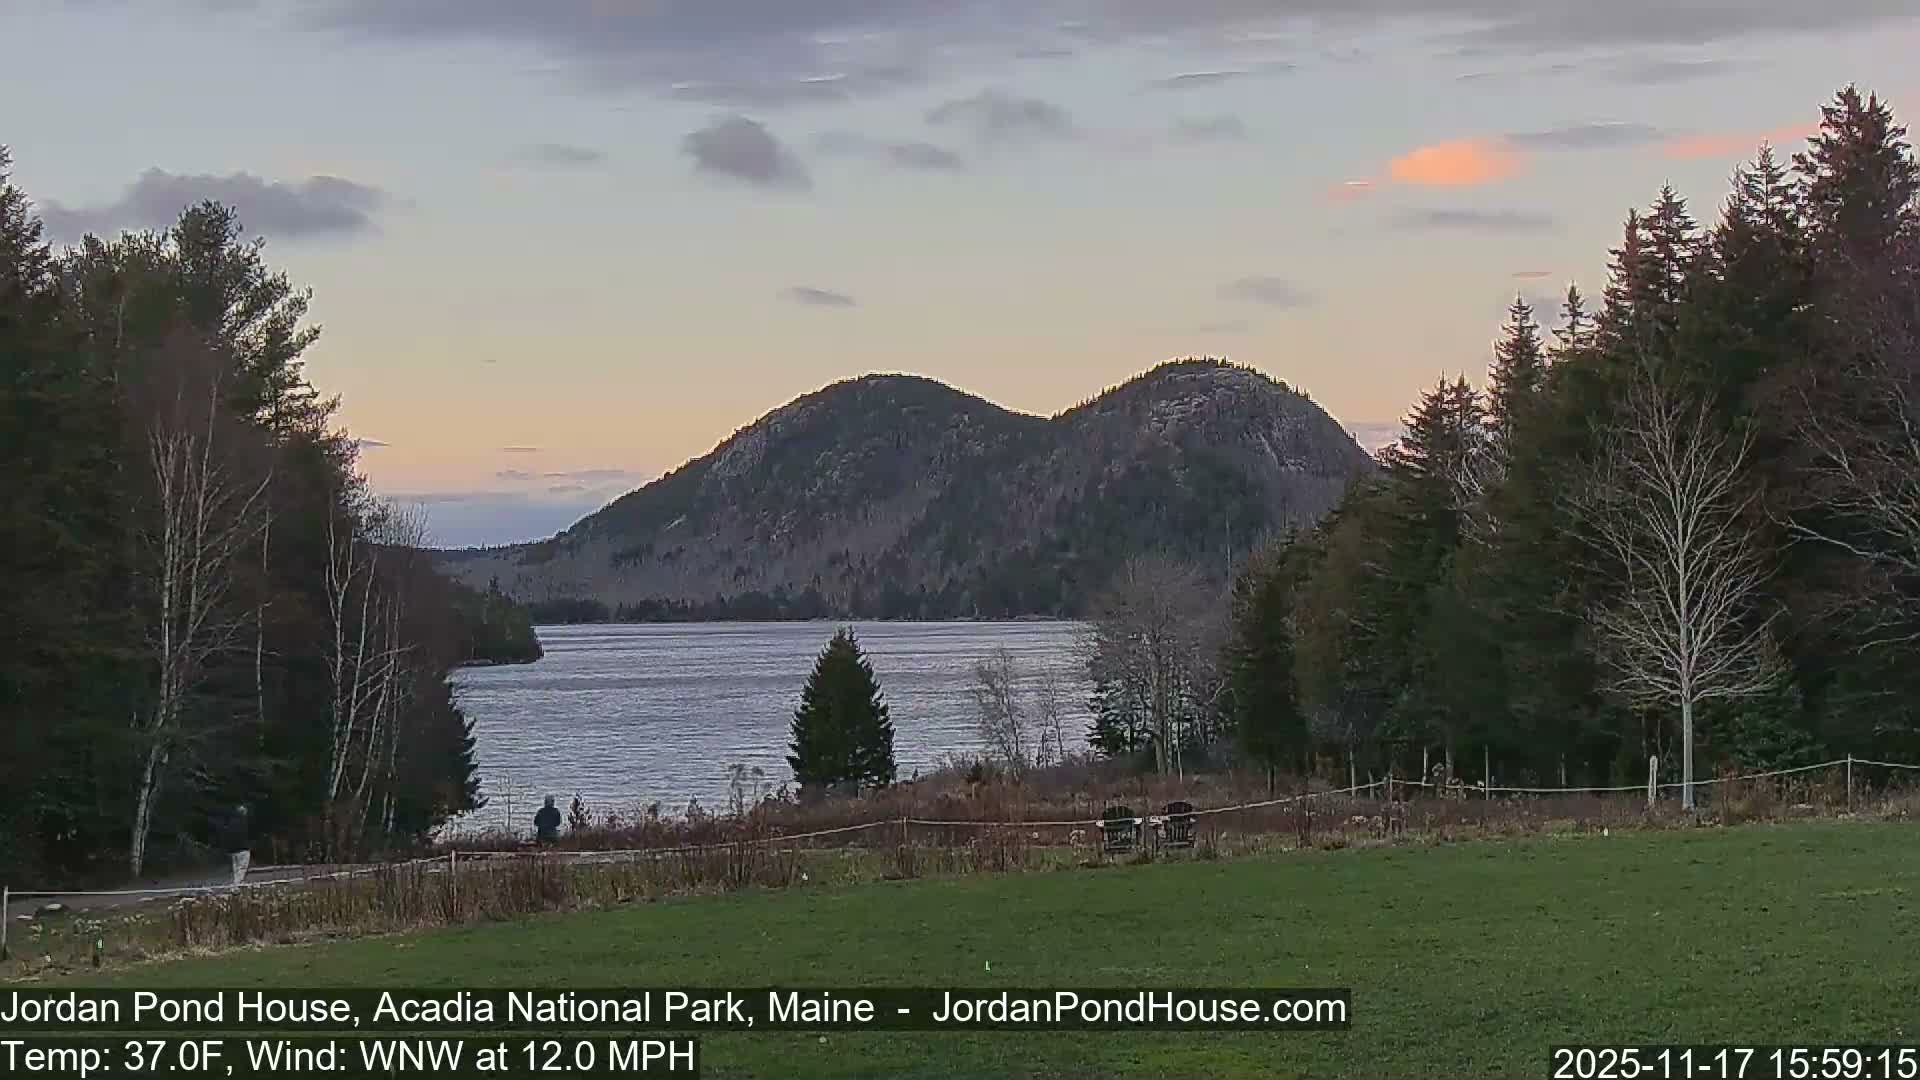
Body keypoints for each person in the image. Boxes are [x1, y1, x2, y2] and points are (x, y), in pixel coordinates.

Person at [220, 804, 251, 886]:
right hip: (243, 849)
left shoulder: (231, 822)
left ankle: (237, 884)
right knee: (242, 868)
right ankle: (236, 885)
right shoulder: (244, 822)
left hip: (233, 850)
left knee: (236, 869)